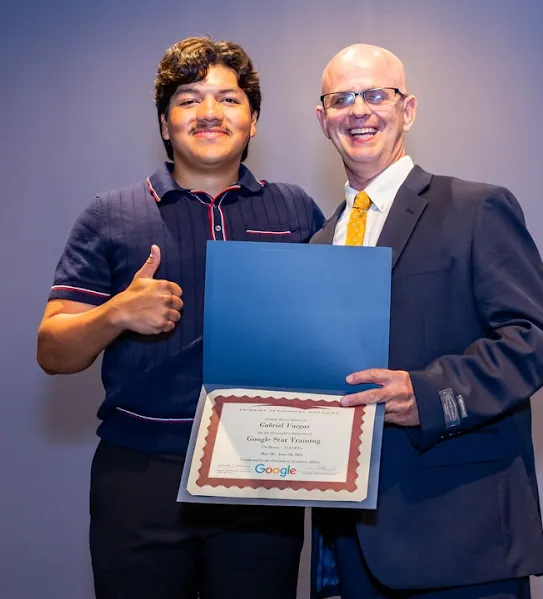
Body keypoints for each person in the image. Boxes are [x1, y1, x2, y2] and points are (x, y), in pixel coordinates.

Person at [37, 36, 324, 599]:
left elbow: (326, 334)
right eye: (189, 100)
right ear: (165, 125)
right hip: (141, 472)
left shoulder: (296, 209)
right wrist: (115, 313)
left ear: (253, 121)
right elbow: (52, 350)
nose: (210, 113)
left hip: (262, 474)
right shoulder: (111, 214)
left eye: (228, 99)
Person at [310, 43, 543, 599]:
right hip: (351, 545)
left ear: (407, 109)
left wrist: (430, 394)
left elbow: (533, 339)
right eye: (342, 99)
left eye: (375, 95)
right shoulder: (320, 241)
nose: (359, 110)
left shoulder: (475, 208)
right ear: (323, 120)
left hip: (464, 538)